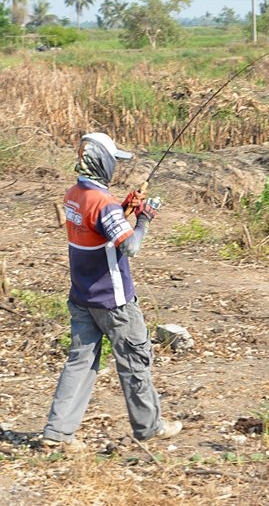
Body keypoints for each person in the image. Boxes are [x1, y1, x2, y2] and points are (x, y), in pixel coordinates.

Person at [43, 132, 181, 450]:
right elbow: (130, 247)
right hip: (114, 301)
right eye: (113, 161)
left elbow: (97, 230)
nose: (115, 168)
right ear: (102, 162)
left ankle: (57, 432)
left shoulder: (74, 195)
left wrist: (124, 209)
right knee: (134, 359)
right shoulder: (104, 205)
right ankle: (150, 427)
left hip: (81, 296)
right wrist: (144, 219)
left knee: (80, 361)